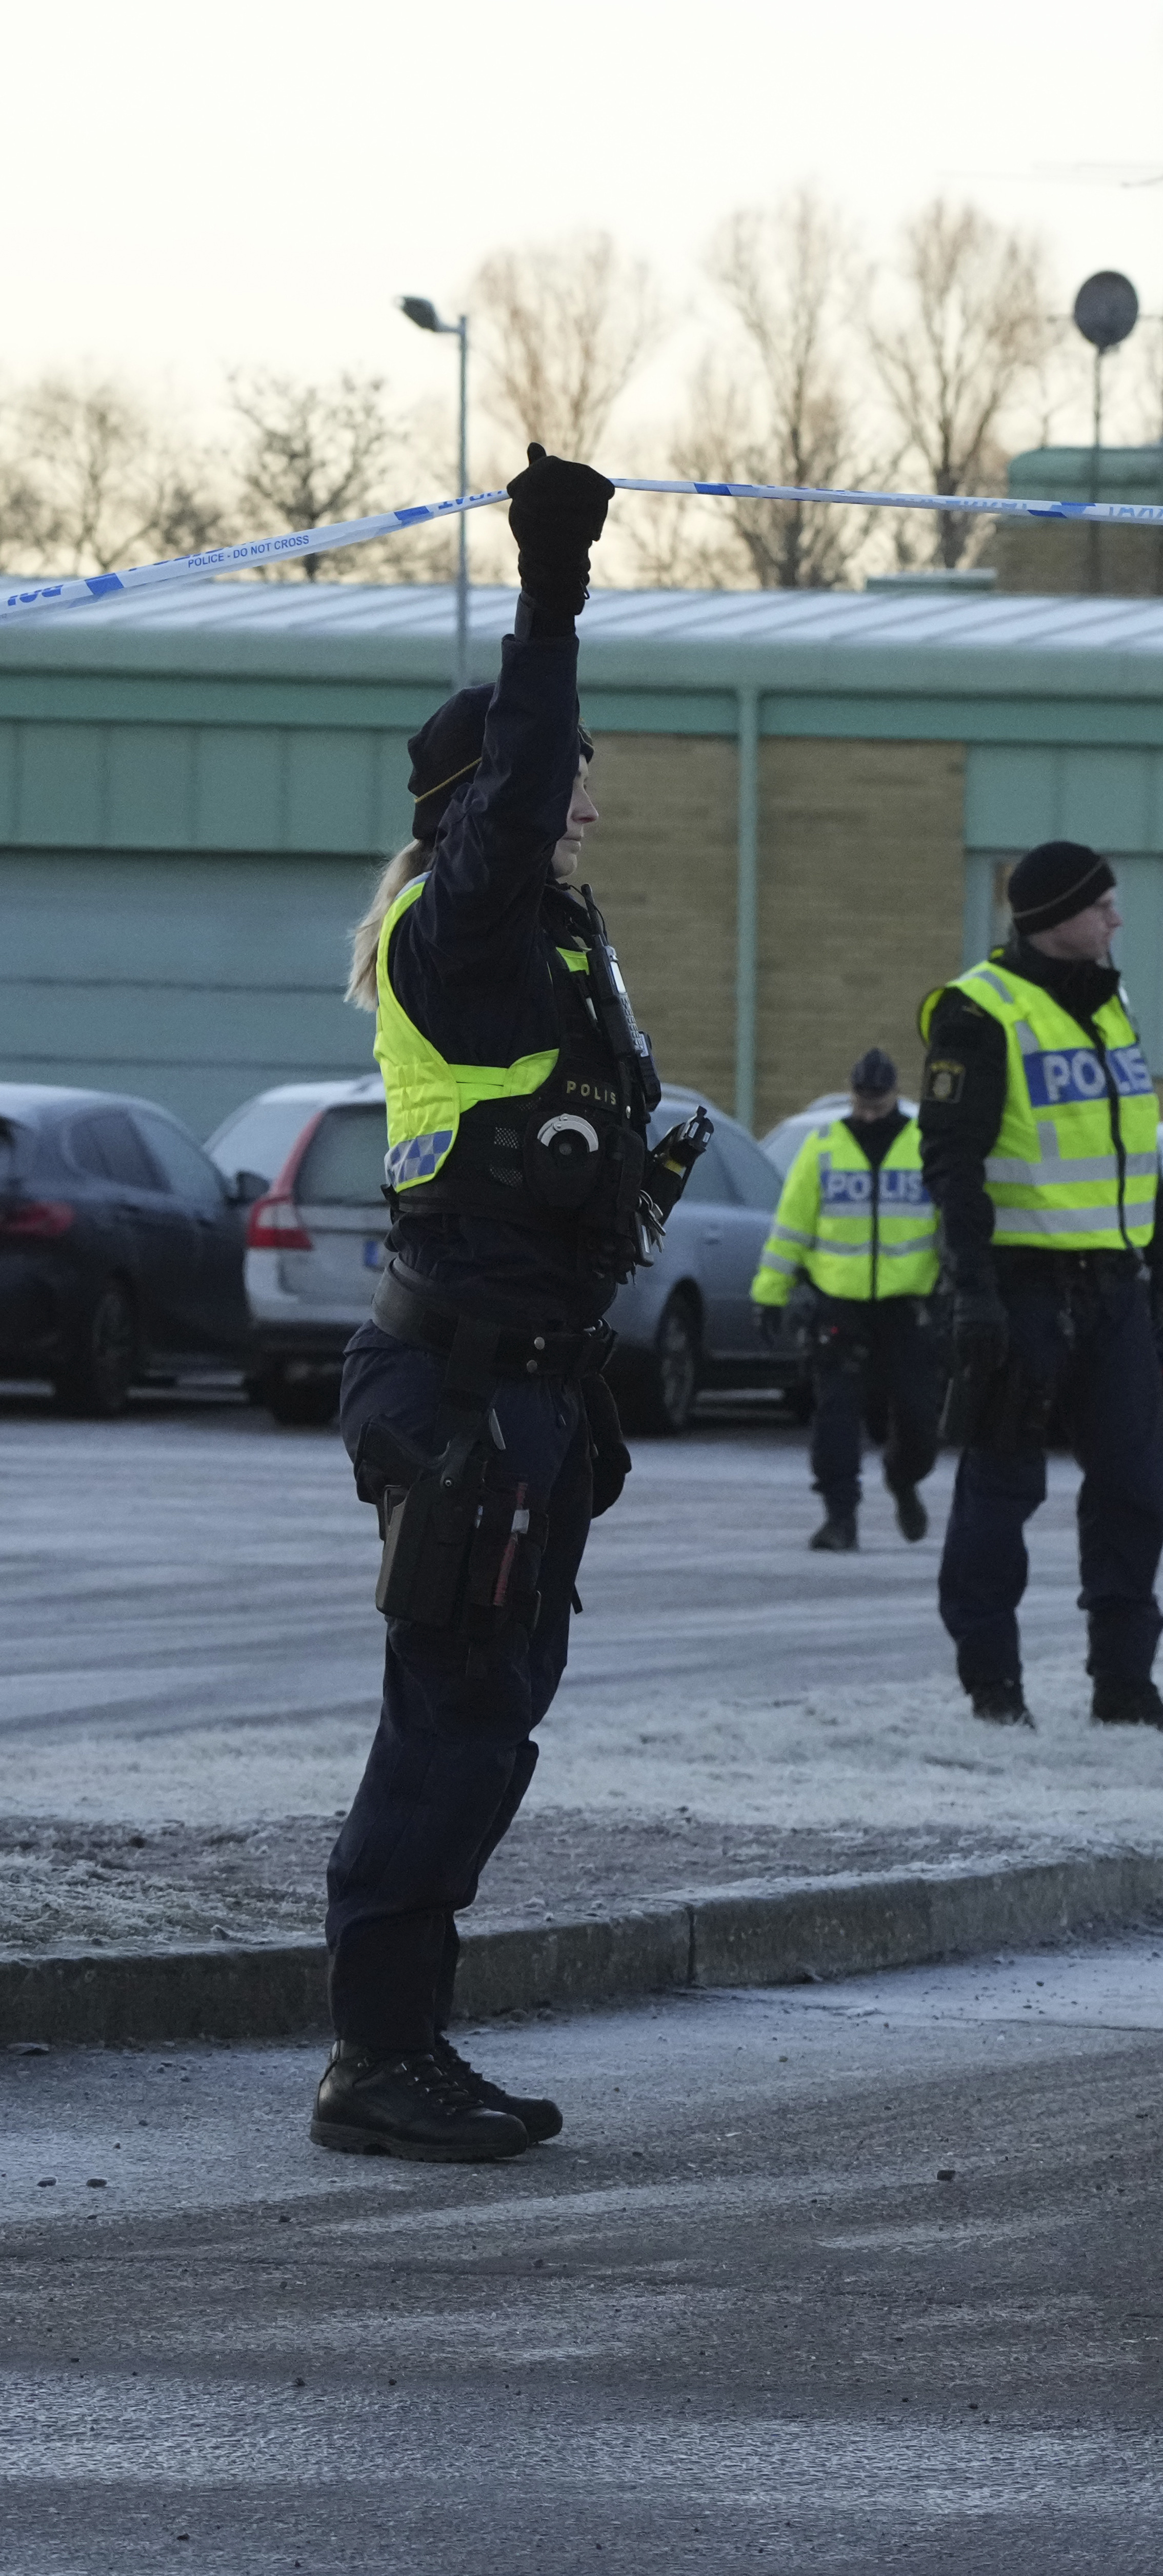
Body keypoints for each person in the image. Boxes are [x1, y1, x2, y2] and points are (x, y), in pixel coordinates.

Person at [318, 447, 693, 2163]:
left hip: (527, 1387)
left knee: (491, 1725)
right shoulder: (456, 930)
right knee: (447, 1725)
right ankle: (375, 2059)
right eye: (558, 788)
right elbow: (527, 764)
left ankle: (413, 2038)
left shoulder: (539, 940)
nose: (582, 806)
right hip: (457, 1389)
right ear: (481, 806)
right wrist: (552, 588)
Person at [919, 839, 1163, 1732]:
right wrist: (972, 1291)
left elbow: (1138, 1152)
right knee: (1002, 1490)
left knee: (1133, 1489)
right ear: (1053, 917)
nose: (1117, 918)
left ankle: (1123, 1684)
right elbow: (952, 1164)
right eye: (1102, 903)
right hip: (1023, 1291)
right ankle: (992, 1685)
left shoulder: (1112, 1009)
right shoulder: (979, 1011)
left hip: (1112, 1291)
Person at [753, 1047, 943, 1552]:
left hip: (908, 1307)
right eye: (862, 1103)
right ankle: (840, 1518)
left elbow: (954, 1226)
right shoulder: (823, 1148)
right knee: (836, 1416)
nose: (868, 1114)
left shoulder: (925, 1146)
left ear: (894, 1097)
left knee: (920, 1421)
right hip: (839, 1305)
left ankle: (904, 1480)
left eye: (877, 1106)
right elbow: (790, 1228)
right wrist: (769, 1296)